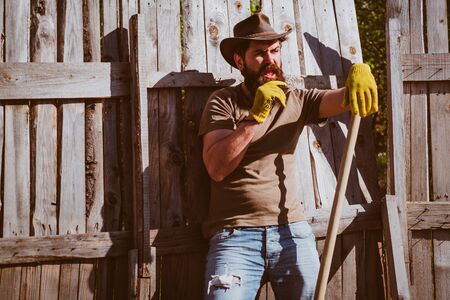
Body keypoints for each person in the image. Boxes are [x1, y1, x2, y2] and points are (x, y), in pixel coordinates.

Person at [198, 13, 377, 300]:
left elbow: (341, 99)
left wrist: (360, 72)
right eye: (259, 53)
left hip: (291, 232)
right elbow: (217, 167)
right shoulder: (223, 101)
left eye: (275, 51)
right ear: (239, 60)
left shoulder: (296, 100)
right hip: (235, 237)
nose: (270, 60)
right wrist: (256, 117)